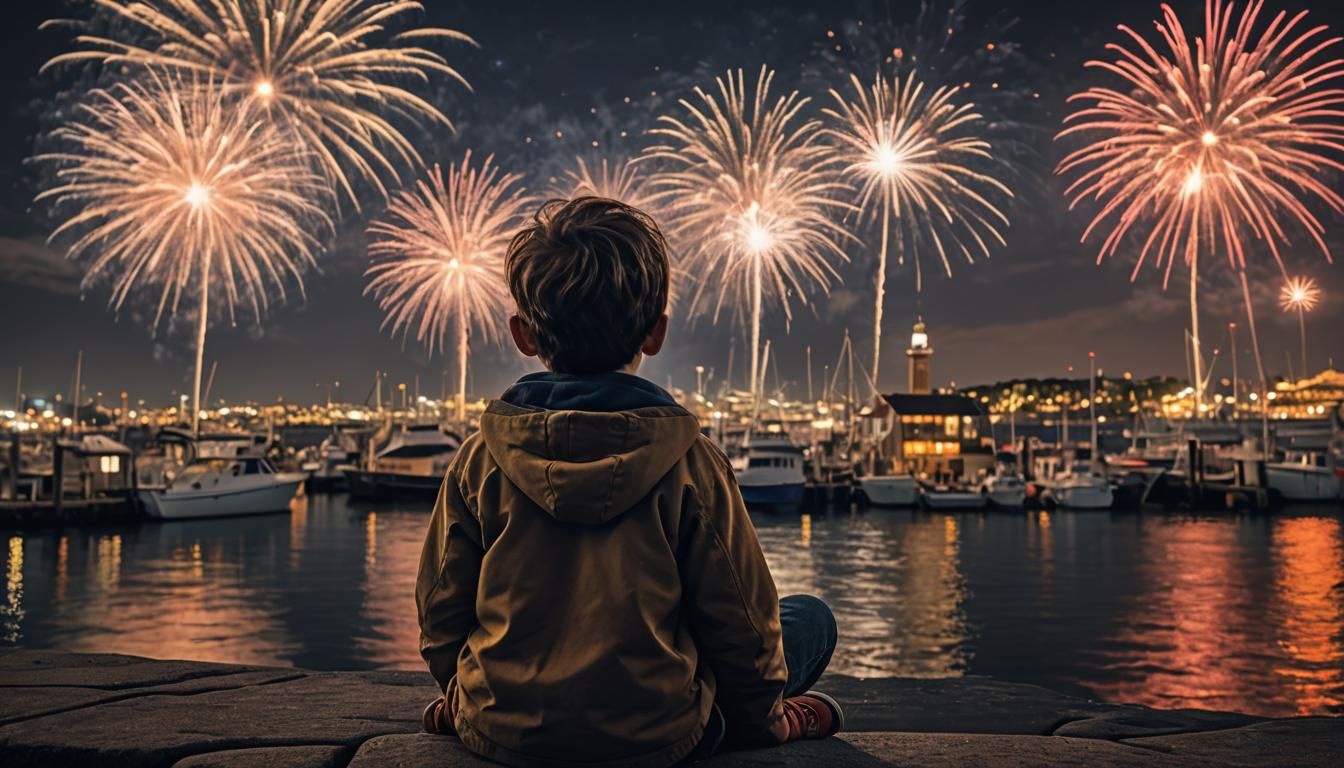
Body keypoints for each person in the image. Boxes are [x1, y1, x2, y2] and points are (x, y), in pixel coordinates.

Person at [416, 196, 841, 767]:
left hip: (503, 728)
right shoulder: (693, 462)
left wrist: (463, 697)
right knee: (809, 617)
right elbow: (742, 620)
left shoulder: (478, 460)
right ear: (656, 332)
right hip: (660, 734)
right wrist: (767, 721)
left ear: (523, 334)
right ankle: (745, 724)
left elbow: (439, 609)